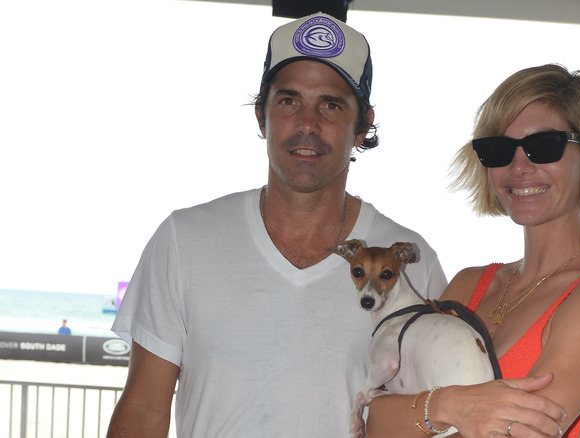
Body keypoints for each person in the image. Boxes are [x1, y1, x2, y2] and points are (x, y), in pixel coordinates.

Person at [106, 12, 460, 437]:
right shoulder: (185, 240)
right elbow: (144, 410)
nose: (307, 125)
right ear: (262, 116)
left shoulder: (410, 263)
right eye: (289, 101)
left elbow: (435, 417)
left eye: (330, 105)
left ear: (363, 125)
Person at [365, 64, 580, 438]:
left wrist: (424, 412)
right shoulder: (469, 284)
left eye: (544, 145)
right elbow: (373, 421)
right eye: (498, 150)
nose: (518, 166)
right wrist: (449, 407)